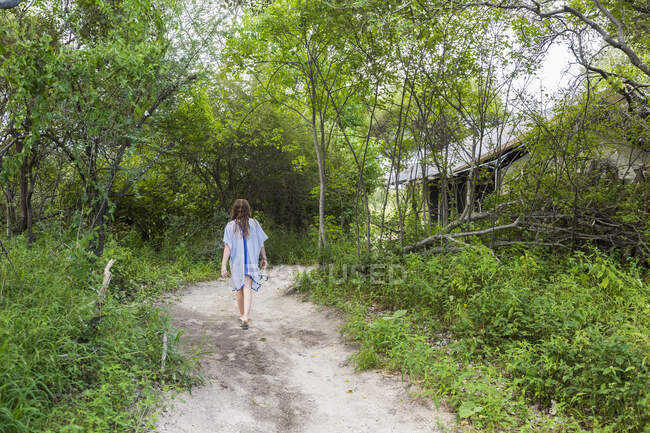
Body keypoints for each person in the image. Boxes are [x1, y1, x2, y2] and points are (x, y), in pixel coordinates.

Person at [221, 199, 268, 329]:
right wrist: (264, 258)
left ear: (235, 210)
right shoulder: (255, 224)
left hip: (237, 263)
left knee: (239, 289)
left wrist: (223, 265)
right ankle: (245, 316)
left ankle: (243, 315)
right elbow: (261, 243)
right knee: (247, 287)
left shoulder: (230, 226)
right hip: (251, 262)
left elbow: (228, 247)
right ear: (248, 209)